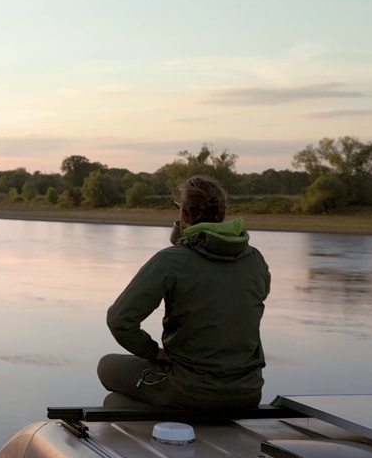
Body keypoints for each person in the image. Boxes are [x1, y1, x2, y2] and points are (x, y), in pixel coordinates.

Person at [97, 175, 270, 409]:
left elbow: (119, 319)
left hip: (189, 390)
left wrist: (153, 352)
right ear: (222, 214)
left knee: (107, 369)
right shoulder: (255, 259)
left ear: (184, 214)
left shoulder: (171, 261)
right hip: (248, 392)